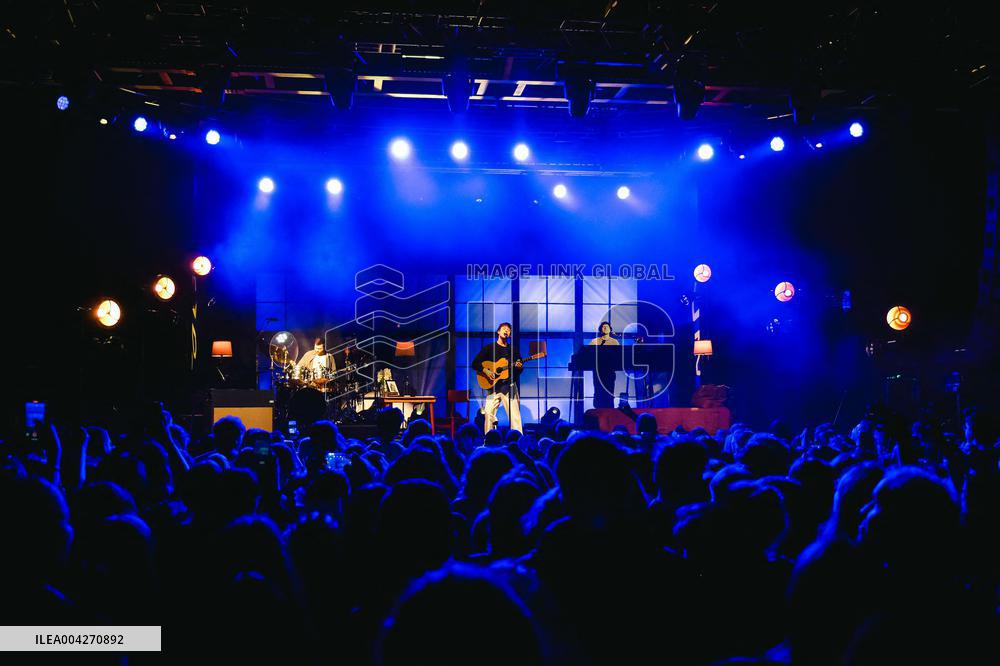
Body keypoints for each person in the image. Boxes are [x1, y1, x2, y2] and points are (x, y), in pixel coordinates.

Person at [472, 323, 524, 433]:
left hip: (509, 386)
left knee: (515, 416)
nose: (506, 331)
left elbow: (519, 369)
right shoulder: (489, 348)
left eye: (508, 330)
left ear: (510, 334)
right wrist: (486, 371)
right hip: (493, 388)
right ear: (498, 332)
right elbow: (475, 363)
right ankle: (489, 439)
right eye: (504, 329)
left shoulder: (513, 350)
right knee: (488, 413)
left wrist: (519, 367)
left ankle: (517, 440)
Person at [590, 321, 619, 408]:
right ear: (600, 329)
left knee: (609, 390)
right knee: (598, 390)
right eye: (603, 327)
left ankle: (609, 408)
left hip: (610, 371)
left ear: (610, 329)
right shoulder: (595, 341)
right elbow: (589, 353)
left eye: (607, 327)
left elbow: (618, 355)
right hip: (598, 370)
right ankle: (598, 407)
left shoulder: (614, 342)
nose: (605, 328)